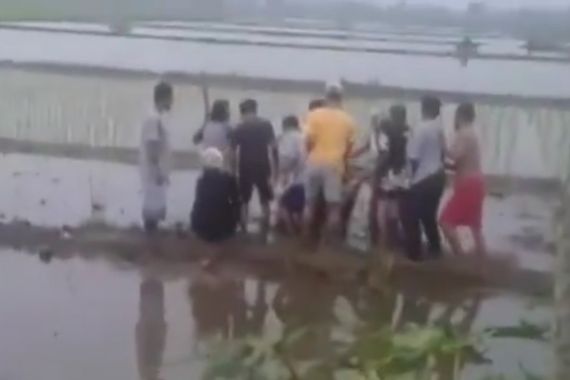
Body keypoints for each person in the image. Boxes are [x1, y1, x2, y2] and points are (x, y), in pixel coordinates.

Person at [304, 83, 356, 240]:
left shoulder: (314, 115)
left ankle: (304, 240)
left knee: (310, 204)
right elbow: (348, 150)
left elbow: (308, 142)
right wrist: (346, 169)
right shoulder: (349, 120)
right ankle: (329, 245)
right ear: (341, 98)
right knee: (333, 207)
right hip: (334, 165)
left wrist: (311, 155)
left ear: (326, 97)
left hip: (313, 162)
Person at [402, 96, 446, 260]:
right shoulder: (438, 128)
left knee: (411, 215)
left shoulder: (420, 129)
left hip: (423, 178)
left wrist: (407, 180)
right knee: (428, 216)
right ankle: (435, 249)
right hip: (438, 176)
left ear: (423, 108)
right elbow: (443, 153)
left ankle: (414, 254)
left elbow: (413, 158)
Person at [440, 102, 486, 256]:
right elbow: (460, 162)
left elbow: (454, 156)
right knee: (475, 227)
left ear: (460, 116)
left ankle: (460, 256)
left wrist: (442, 146)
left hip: (468, 185)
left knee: (445, 221)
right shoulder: (472, 133)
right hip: (477, 182)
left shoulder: (463, 134)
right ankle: (483, 259)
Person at [232, 99, 278, 229]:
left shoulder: (240, 127)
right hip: (263, 165)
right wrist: (276, 167)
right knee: (265, 199)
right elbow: (274, 147)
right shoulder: (266, 125)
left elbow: (232, 151)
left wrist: (232, 169)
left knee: (244, 200)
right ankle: (266, 227)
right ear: (255, 109)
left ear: (242, 112)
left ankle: (243, 228)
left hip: (245, 165)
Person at [139, 81, 173, 232]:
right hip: (153, 172)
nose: (172, 102)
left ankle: (150, 242)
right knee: (152, 212)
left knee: (154, 209)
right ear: (164, 98)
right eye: (171, 98)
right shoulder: (153, 119)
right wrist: (159, 171)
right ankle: (149, 245)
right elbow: (152, 146)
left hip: (155, 170)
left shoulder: (156, 117)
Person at [376, 105, 410, 248]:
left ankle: (382, 240)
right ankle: (393, 239)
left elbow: (385, 154)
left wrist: (377, 171)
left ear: (393, 115)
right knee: (394, 207)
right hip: (402, 173)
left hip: (388, 172)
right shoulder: (407, 130)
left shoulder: (387, 130)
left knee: (382, 208)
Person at [191, 147, 241, 243]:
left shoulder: (201, 181)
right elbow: (236, 201)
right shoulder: (229, 178)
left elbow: (198, 203)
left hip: (202, 228)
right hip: (225, 228)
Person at [277, 115, 306, 234]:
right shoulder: (303, 136)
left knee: (283, 205)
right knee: (300, 207)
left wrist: (282, 175)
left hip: (295, 178)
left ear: (285, 126)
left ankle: (291, 232)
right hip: (307, 178)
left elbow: (288, 159)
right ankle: (300, 229)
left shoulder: (289, 137)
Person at [200, 99, 233, 167]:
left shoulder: (207, 125)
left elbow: (196, 139)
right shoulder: (226, 127)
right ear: (225, 112)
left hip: (207, 159)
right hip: (221, 161)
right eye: (228, 110)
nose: (229, 112)